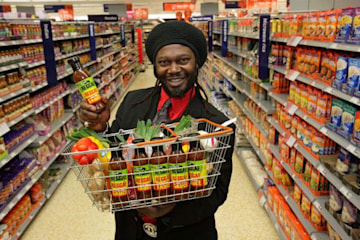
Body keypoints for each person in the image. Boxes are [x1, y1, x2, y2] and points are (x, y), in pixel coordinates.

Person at [79, 21, 235, 240]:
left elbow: (218, 192)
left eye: (183, 60)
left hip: (187, 231)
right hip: (132, 229)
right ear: (155, 66)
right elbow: (111, 156)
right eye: (164, 62)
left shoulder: (217, 124)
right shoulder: (132, 103)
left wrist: (169, 211)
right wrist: (100, 127)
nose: (173, 69)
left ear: (197, 63)